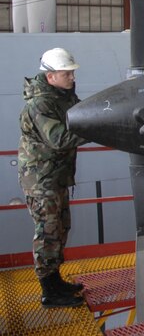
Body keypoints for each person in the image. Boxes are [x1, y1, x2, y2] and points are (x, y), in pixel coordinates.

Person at [19, 48, 87, 308]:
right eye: (65, 73)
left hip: (56, 175)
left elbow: (80, 115)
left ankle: (55, 280)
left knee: (60, 227)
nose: (71, 77)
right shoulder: (41, 104)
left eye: (71, 72)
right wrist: (95, 130)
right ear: (50, 77)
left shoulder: (63, 96)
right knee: (47, 231)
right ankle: (49, 291)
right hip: (40, 179)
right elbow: (59, 139)